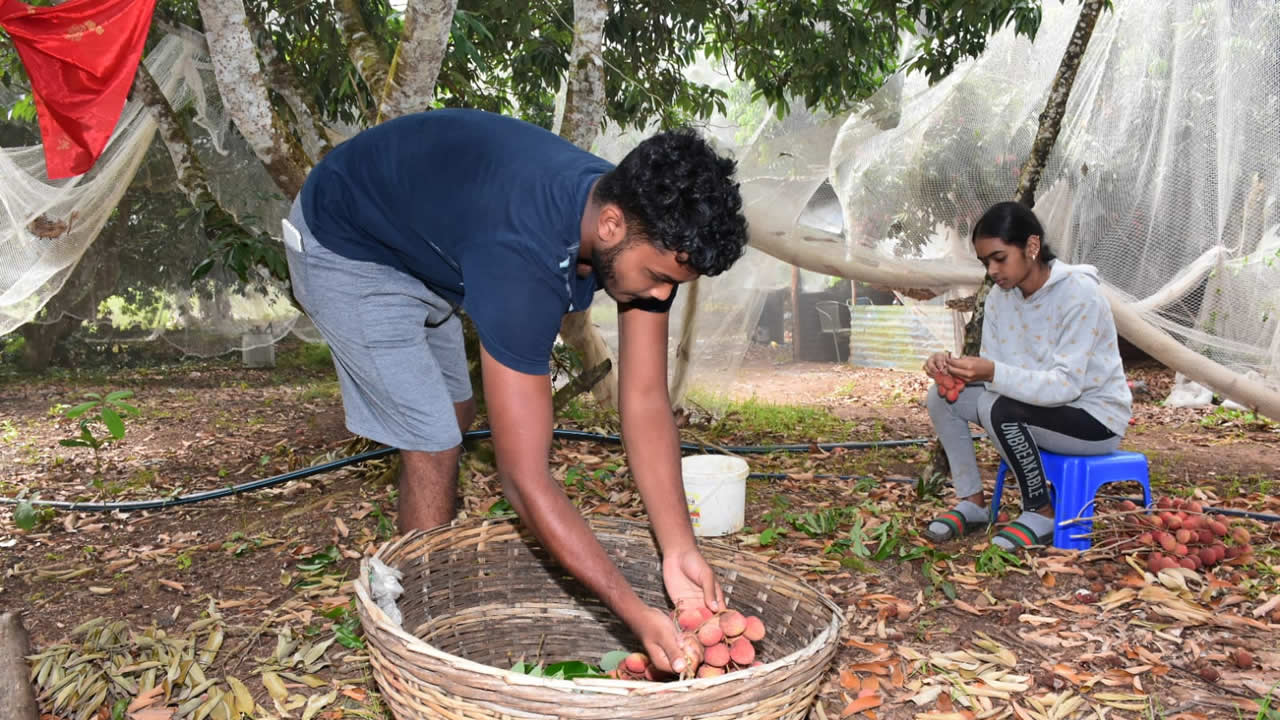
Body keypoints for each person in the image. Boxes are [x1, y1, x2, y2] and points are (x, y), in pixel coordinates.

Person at [282, 109, 749, 673]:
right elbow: (524, 479)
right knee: (432, 439)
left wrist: (679, 549)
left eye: (672, 284)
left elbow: (646, 398)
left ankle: (423, 563)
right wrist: (632, 610)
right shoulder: (521, 257)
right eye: (658, 278)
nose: (658, 295)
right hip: (346, 241)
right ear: (610, 226)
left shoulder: (634, 215)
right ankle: (420, 631)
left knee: (453, 418)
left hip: (426, 245)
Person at [921, 201, 1132, 550]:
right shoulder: (1001, 298)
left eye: (999, 258)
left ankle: (1042, 510)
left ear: (1031, 247)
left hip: (1093, 418)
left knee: (997, 407)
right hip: (1031, 409)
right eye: (985, 261)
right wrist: (955, 371)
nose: (992, 270)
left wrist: (990, 372)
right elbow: (998, 372)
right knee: (942, 398)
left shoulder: (1080, 295)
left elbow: (1065, 385)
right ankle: (972, 503)